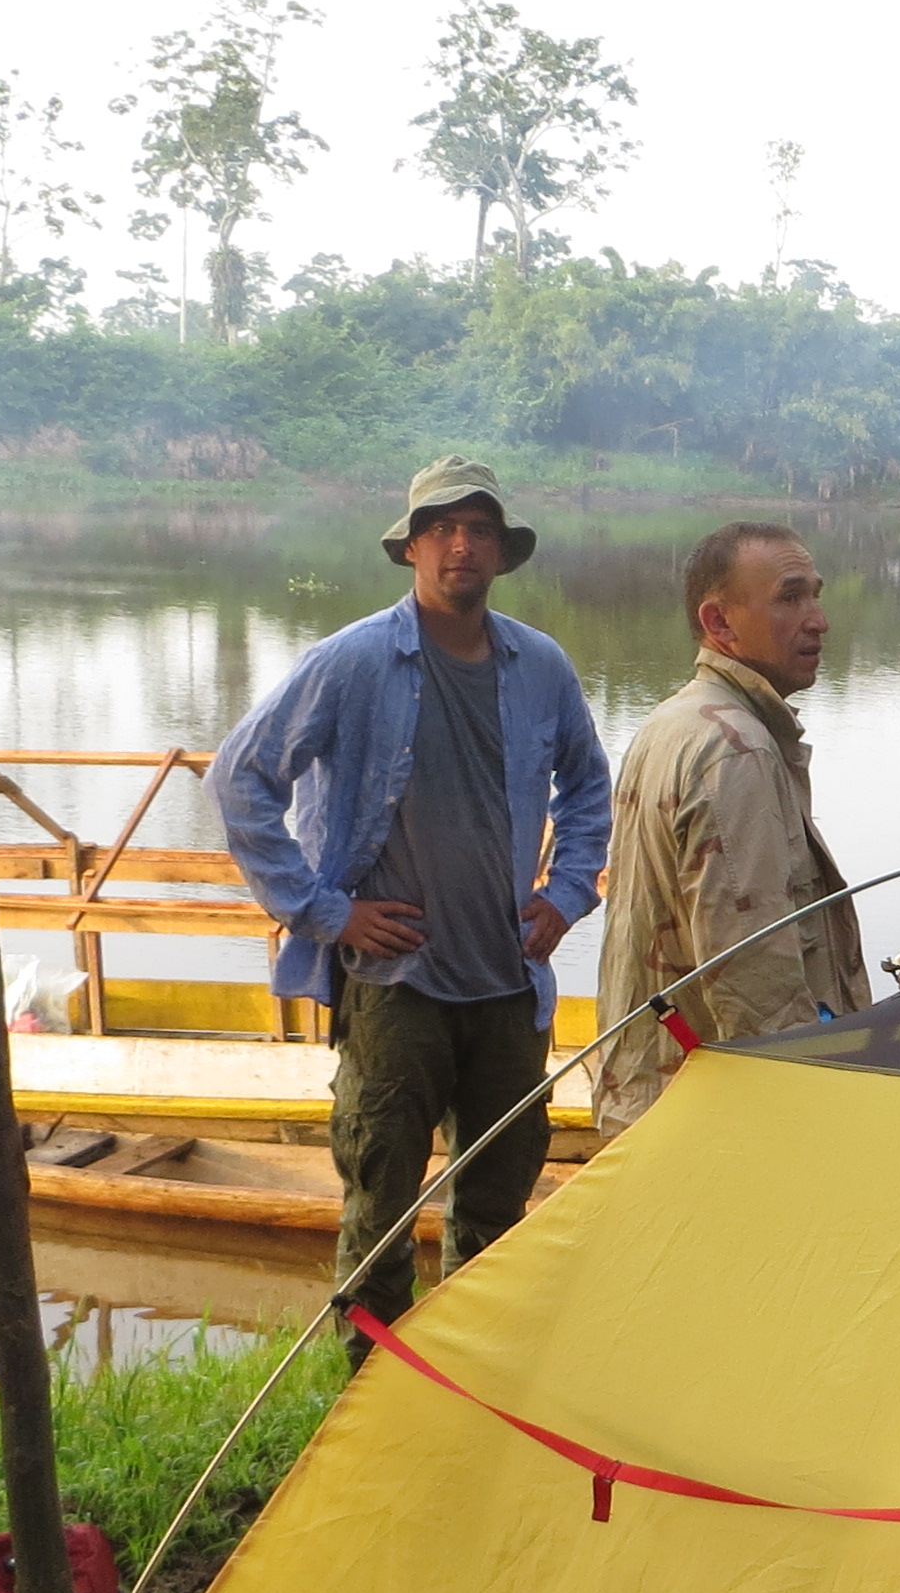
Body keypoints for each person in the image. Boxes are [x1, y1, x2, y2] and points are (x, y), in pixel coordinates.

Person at [211, 456, 611, 1327]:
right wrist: (323, 909)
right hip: (398, 987)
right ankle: (369, 1386)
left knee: (497, 1208)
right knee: (381, 1201)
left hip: (508, 983)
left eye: (479, 531)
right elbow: (240, 779)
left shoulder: (540, 666)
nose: (461, 546)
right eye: (443, 530)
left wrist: (568, 891)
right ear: (412, 549)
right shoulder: (353, 661)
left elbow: (587, 785)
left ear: (502, 553)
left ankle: (474, 1374)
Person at [595, 522, 866, 1130]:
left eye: (816, 595)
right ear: (718, 623)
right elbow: (755, 986)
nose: (818, 619)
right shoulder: (735, 752)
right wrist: (811, 1122)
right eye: (790, 598)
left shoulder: (675, 721)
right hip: (709, 1119)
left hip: (654, 1093)